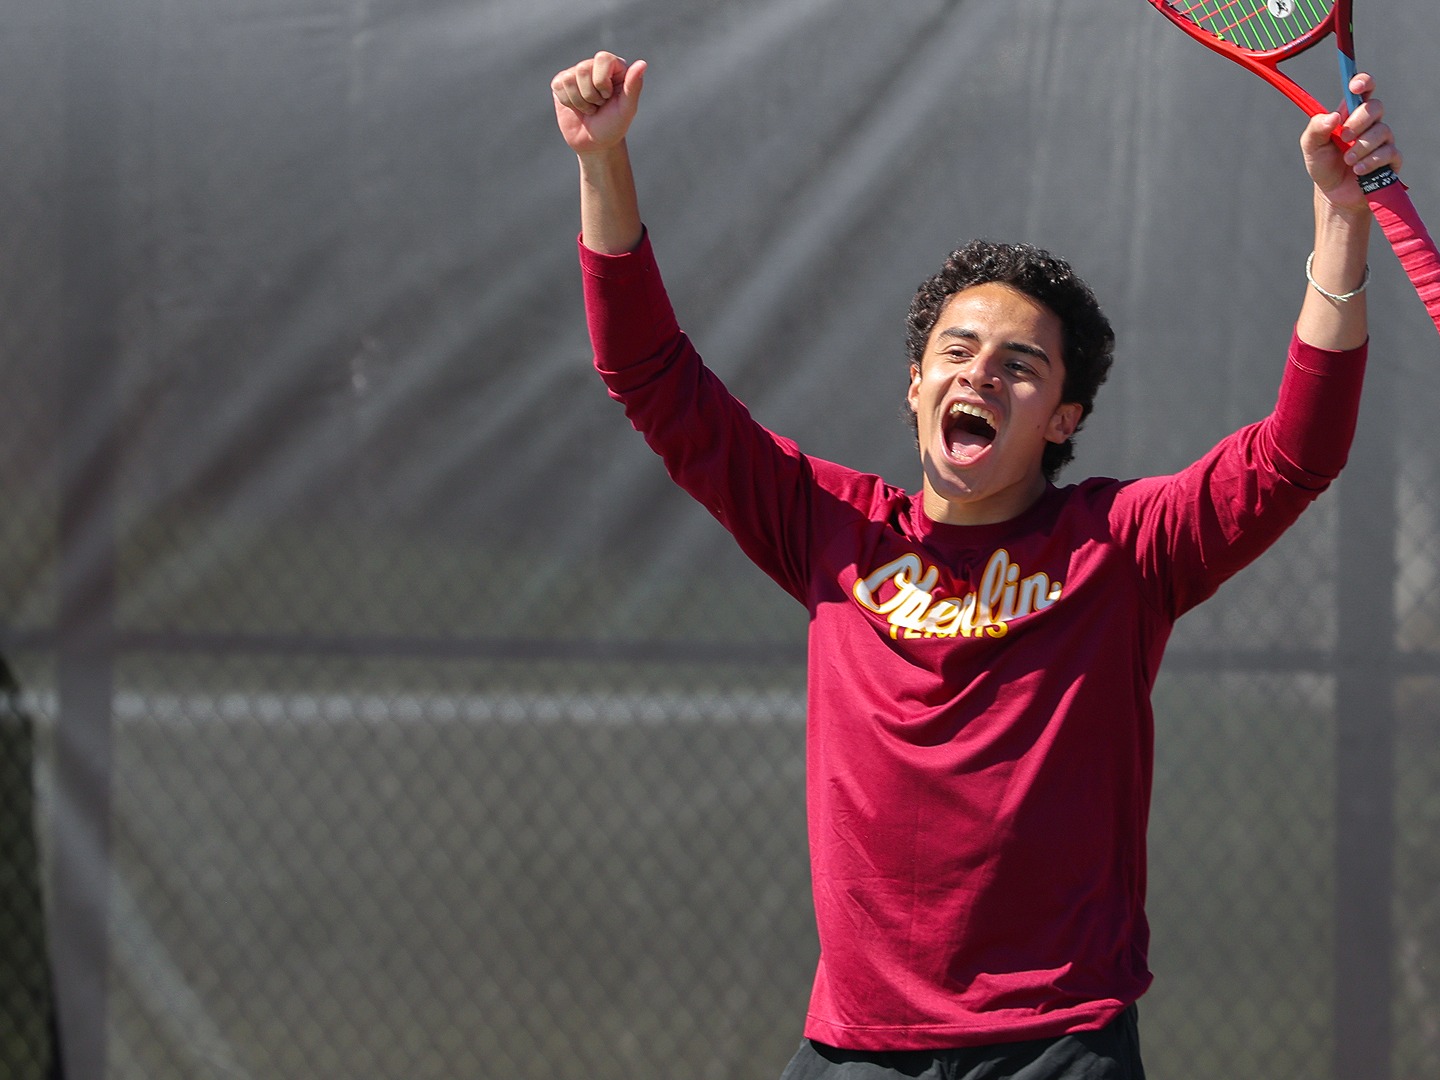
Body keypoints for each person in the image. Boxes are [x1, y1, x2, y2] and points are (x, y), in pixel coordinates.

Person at [552, 47, 1397, 1080]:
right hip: (858, 1049)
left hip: (1056, 1045)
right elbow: (649, 375)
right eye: (956, 352)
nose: (981, 375)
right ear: (915, 387)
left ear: (1064, 418)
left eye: (1020, 366)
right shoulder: (826, 527)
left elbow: (1297, 453)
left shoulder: (1124, 546)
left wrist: (1341, 220)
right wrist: (602, 162)